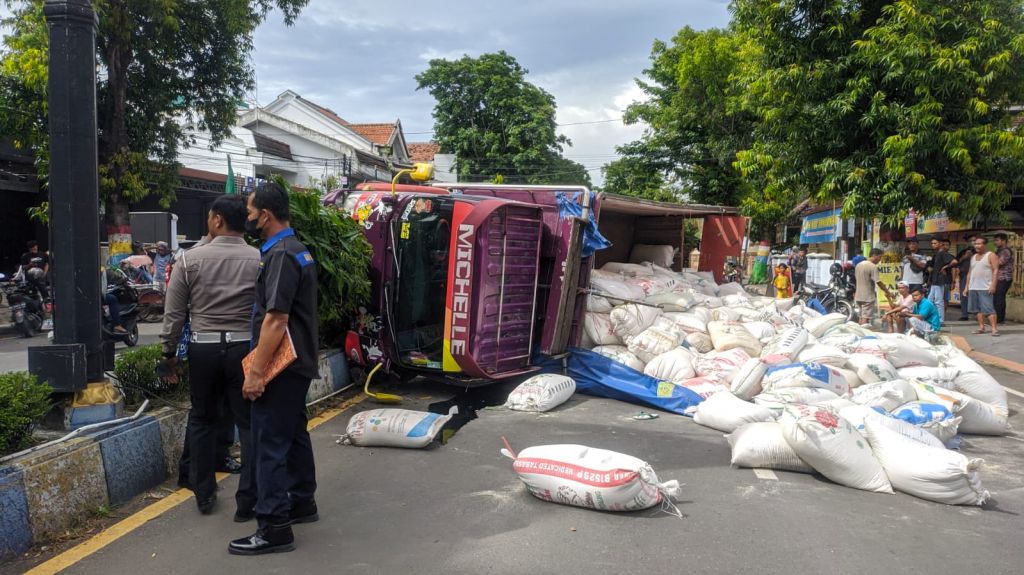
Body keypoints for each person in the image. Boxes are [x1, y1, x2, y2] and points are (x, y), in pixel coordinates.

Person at [230, 183, 319, 555]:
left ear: (265, 215)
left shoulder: (281, 255)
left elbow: (276, 319)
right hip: (298, 364)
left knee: (268, 444)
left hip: (281, 367)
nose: (248, 218)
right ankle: (302, 501)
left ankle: (274, 526)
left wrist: (256, 373)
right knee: (293, 433)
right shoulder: (296, 249)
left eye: (251, 212)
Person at [160, 195, 260, 516]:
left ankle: (204, 494)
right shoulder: (259, 258)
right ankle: (250, 495)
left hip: (202, 349)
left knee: (202, 419)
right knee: (247, 422)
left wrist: (169, 352)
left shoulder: (189, 260)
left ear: (217, 220)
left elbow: (174, 314)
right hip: (244, 348)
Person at [174, 233, 243, 489]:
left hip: (224, 343)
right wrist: (171, 349)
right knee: (203, 415)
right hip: (204, 340)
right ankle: (190, 470)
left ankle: (217, 457)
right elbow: (177, 306)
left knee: (220, 410)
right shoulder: (192, 257)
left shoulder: (236, 252)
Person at [962, 236, 1000, 336]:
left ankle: (994, 329)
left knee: (989, 309)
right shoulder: (973, 257)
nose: (976, 246)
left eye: (979, 244)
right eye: (975, 244)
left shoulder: (991, 255)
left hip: (985, 287)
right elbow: (970, 272)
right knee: (976, 310)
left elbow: (996, 271)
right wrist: (966, 287)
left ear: (985, 245)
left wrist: (993, 285)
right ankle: (981, 327)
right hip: (973, 287)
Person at [855, 248, 888, 326]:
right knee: (865, 318)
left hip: (858, 296)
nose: (880, 260)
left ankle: (859, 332)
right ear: (874, 256)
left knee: (861, 317)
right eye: (879, 257)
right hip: (868, 297)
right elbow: (878, 282)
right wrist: (887, 291)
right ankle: (863, 332)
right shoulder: (873, 266)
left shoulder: (858, 265)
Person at [926, 237, 955, 321]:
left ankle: (940, 319)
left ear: (940, 244)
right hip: (934, 280)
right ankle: (931, 317)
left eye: (935, 243)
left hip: (940, 280)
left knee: (938, 301)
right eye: (932, 243)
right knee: (930, 300)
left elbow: (954, 261)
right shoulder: (937, 254)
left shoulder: (943, 253)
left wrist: (945, 267)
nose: (933, 245)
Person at [953, 235, 976, 321]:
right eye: (971, 241)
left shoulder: (979, 252)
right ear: (967, 242)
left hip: (976, 276)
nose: (973, 243)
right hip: (964, 276)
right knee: (964, 295)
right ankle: (964, 314)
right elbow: (956, 262)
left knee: (975, 295)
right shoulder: (962, 252)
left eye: (974, 241)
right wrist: (965, 257)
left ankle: (977, 314)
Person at [993, 233, 1014, 324]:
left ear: (1004, 241)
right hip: (998, 277)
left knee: (999, 298)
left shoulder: (1006, 251)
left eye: (997, 240)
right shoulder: (999, 250)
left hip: (1004, 278)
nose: (995, 242)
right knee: (996, 298)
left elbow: (999, 262)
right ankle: (997, 317)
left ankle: (1000, 319)